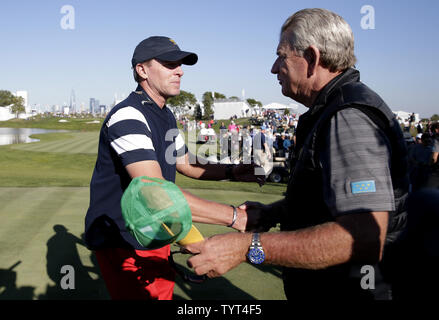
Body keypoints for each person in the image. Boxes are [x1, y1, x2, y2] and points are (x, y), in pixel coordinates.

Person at [186, 8, 410, 300]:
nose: (274, 67)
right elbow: (326, 201)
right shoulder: (330, 110)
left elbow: (364, 237)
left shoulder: (349, 117)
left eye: (282, 56)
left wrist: (247, 247)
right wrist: (273, 212)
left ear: (313, 59)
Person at [84, 36, 264, 300]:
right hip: (125, 239)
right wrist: (236, 217)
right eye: (169, 64)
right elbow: (156, 195)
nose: (179, 71)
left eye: (180, 64)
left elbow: (184, 162)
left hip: (153, 231)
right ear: (142, 70)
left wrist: (233, 171)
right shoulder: (128, 115)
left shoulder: (165, 114)